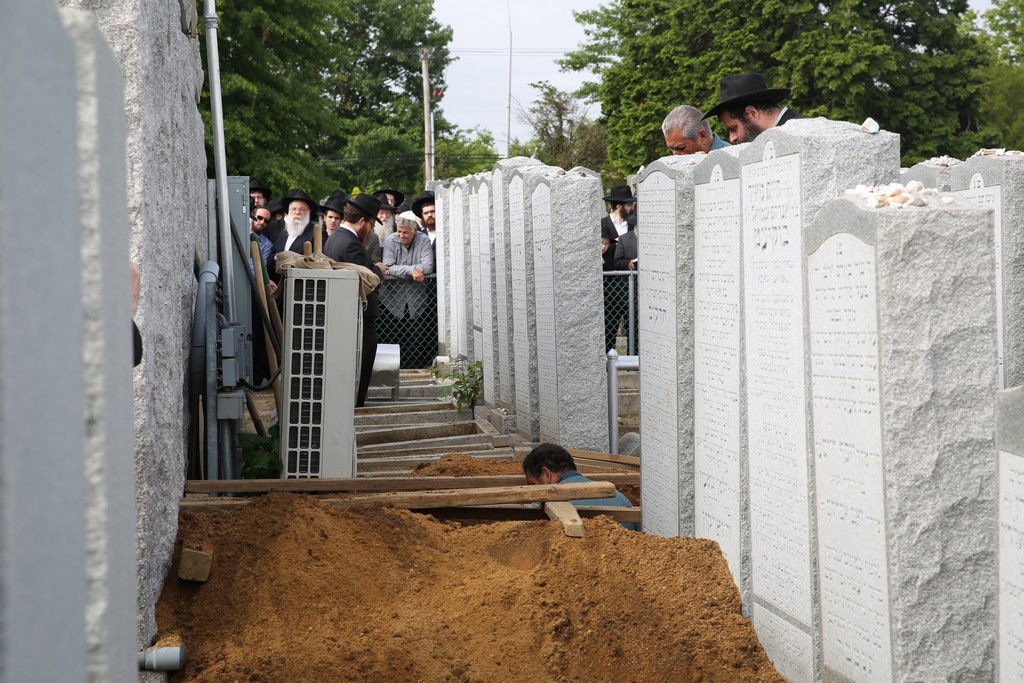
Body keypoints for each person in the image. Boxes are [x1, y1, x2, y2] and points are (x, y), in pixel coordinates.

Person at [323, 193, 384, 407]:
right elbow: (366, 280)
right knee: (359, 366)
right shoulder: (350, 244)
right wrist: (378, 269)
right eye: (371, 225)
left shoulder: (336, 237)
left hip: (349, 317)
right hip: (357, 318)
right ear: (361, 221)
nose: (370, 231)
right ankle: (355, 408)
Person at [522, 443, 638, 531]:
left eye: (532, 484)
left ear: (547, 474)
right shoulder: (622, 499)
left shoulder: (544, 507)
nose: (532, 494)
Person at [703, 72, 801, 145]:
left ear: (752, 113)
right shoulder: (772, 139)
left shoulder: (799, 134)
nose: (732, 138)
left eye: (733, 129)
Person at [381, 217, 434, 281]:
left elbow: (428, 267)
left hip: (417, 287)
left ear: (415, 231)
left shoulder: (424, 240)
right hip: (394, 287)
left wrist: (397, 270)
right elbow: (386, 268)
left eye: (405, 233)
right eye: (399, 231)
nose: (401, 236)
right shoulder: (390, 240)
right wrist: (411, 270)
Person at [662, 105, 730, 155]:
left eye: (680, 148)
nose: (675, 156)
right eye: (671, 149)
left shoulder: (731, 158)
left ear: (703, 136)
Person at [271, 189, 318, 257]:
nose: (297, 212)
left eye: (302, 209)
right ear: (288, 211)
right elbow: (269, 257)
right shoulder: (279, 229)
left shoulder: (315, 232)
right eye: (294, 209)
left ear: (309, 212)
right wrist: (276, 258)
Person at [600, 185, 635, 269]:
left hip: (632, 278)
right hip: (610, 278)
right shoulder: (601, 225)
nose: (632, 208)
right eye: (629, 205)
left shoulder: (634, 225)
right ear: (619, 206)